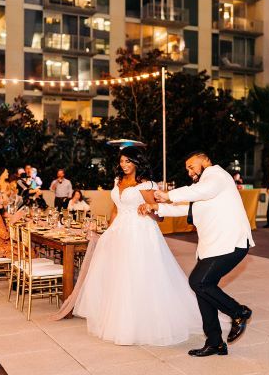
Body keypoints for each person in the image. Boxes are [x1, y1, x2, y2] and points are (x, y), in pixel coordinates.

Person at [73, 147, 202, 346]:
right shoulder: (118, 181)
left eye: (128, 161)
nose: (124, 165)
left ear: (137, 162)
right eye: (122, 161)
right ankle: (119, 321)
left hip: (140, 232)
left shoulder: (146, 184)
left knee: (139, 276)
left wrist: (147, 209)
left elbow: (159, 215)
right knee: (118, 276)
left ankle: (143, 323)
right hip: (119, 231)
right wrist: (109, 231)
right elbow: (115, 208)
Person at [143, 151, 255, 357]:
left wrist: (168, 195)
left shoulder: (216, 175)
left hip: (231, 242)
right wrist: (157, 207)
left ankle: (239, 312)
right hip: (213, 246)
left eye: (192, 166)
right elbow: (186, 209)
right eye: (187, 169)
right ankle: (215, 342)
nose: (189, 171)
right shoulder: (201, 188)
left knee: (198, 282)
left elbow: (199, 192)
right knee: (204, 290)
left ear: (205, 161)